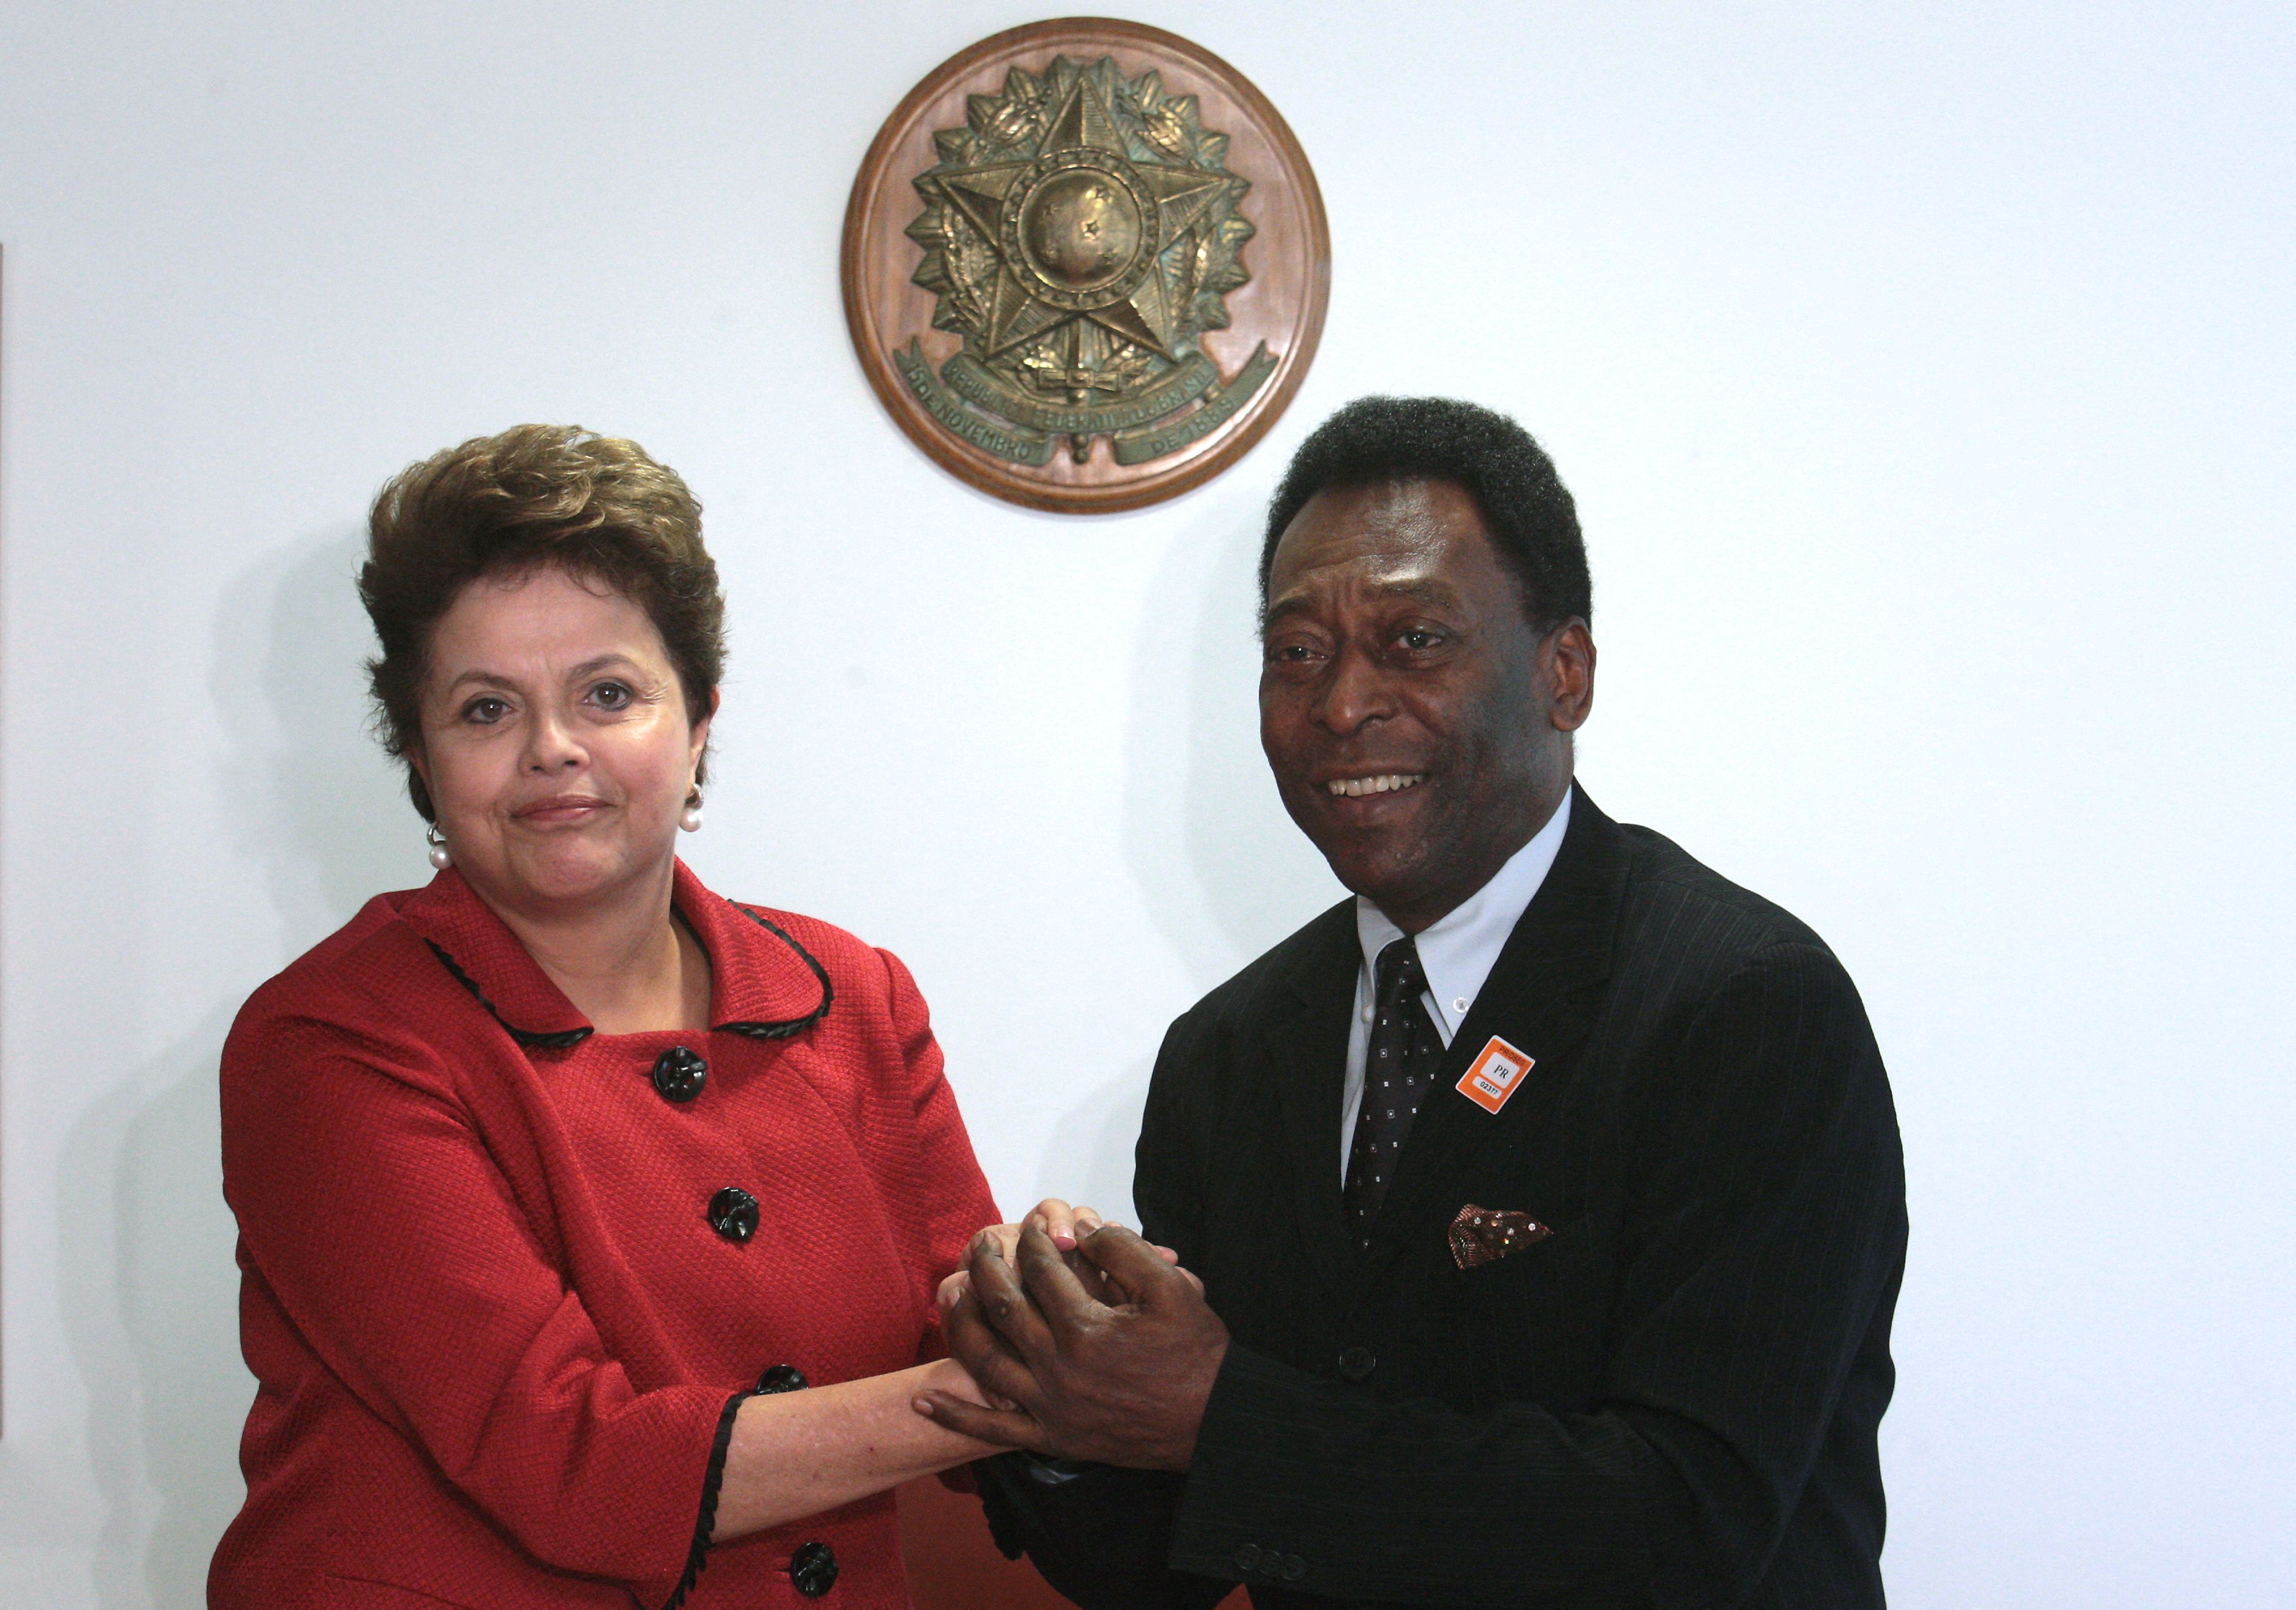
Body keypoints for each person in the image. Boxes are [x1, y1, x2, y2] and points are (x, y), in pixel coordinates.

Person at [918, 398, 1909, 1608]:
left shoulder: (1743, 1008)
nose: (1342, 705)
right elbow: (1156, 1566)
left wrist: (1219, 1414)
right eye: (1297, 652)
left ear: (1566, 672)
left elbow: (1688, 1526)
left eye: (1415, 639)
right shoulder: (1227, 1056)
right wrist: (1055, 1410)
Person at [211, 425, 1020, 1609]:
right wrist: (1022, 1394)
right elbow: (567, 1460)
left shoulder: (853, 994)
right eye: (486, 709)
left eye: (608, 694)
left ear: (697, 725)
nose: (553, 750)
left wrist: (1052, 1291)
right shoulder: (329, 1044)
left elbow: (960, 1315)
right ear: (422, 760)